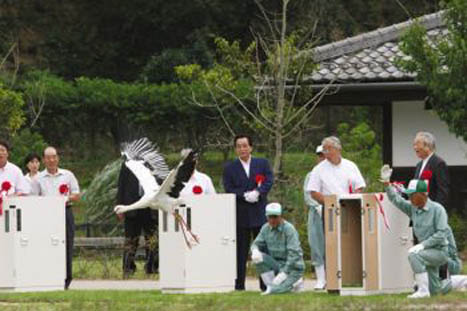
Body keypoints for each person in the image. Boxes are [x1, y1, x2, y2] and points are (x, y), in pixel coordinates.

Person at [381, 164, 451, 298]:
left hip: (440, 252)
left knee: (414, 255)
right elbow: (396, 200)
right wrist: (386, 184)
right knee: (435, 290)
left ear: (423, 194)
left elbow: (442, 234)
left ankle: (422, 291)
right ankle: (458, 282)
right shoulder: (413, 207)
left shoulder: (438, 209)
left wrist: (422, 245)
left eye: (413, 195)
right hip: (426, 252)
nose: (410, 198)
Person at [305, 136, 366, 287]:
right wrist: (328, 202)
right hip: (330, 210)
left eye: (329, 149)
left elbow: (360, 186)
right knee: (331, 244)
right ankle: (332, 279)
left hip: (350, 208)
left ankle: (352, 275)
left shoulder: (350, 165)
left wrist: (352, 198)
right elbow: (313, 191)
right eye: (324, 149)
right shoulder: (318, 169)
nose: (326, 152)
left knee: (352, 242)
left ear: (338, 149)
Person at [223, 134, 274, 291]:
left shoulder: (262, 163)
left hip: (259, 213)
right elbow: (228, 187)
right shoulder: (229, 168)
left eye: (245, 145)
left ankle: (266, 285)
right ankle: (239, 285)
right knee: (240, 252)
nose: (242, 149)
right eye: (239, 146)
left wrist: (258, 192)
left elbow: (268, 180)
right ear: (235, 149)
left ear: (250, 147)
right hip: (241, 214)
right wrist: (244, 195)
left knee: (262, 250)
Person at [32, 146, 80, 290]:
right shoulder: (38, 178)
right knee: (46, 246)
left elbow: (77, 194)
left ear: (58, 158)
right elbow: (34, 198)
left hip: (65, 212)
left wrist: (65, 198)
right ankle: (48, 278)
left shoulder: (68, 175)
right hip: (45, 215)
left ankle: (66, 279)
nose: (51, 160)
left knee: (67, 245)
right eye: (48, 157)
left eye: (54, 157)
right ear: (44, 160)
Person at [250, 202, 305, 295]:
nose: (272, 220)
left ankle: (294, 282)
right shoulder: (265, 228)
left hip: (293, 268)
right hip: (277, 264)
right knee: (258, 258)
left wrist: (284, 273)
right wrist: (254, 250)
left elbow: (294, 254)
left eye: (275, 216)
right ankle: (270, 286)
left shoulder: (289, 229)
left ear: (280, 216)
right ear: (266, 217)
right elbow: (255, 244)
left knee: (277, 291)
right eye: (270, 217)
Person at [116, 161, 159, 278]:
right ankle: (128, 268)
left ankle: (152, 267)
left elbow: (161, 182)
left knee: (152, 239)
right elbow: (121, 184)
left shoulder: (154, 161)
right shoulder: (128, 163)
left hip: (151, 207)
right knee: (130, 239)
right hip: (132, 205)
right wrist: (120, 204)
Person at [303, 145, 326, 290]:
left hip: (333, 212)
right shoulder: (311, 175)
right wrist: (318, 206)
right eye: (319, 155)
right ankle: (321, 279)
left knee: (332, 245)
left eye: (324, 155)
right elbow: (308, 194)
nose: (322, 158)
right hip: (316, 213)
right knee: (317, 244)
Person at [413, 132, 449, 210]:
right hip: (419, 209)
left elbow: (442, 191)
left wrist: (435, 210)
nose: (414, 147)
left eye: (417, 144)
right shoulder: (419, 165)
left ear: (427, 146)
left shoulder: (438, 163)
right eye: (414, 145)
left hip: (432, 210)